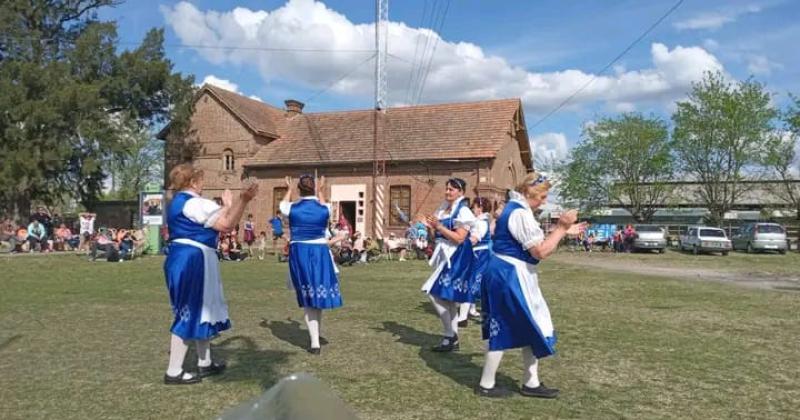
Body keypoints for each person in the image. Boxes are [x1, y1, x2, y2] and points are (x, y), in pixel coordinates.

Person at [476, 172, 585, 399]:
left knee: (529, 324)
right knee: (505, 325)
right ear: (527, 193)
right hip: (510, 274)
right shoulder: (520, 214)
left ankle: (530, 382)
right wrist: (562, 228)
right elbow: (540, 251)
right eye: (542, 196)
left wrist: (562, 232)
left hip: (508, 272)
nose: (544, 200)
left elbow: (529, 242)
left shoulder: (515, 209)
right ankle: (487, 384)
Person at [162, 163, 257, 385]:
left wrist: (226, 206)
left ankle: (205, 363)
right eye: (201, 179)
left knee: (202, 309)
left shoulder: (179, 203)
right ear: (193, 181)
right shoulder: (195, 203)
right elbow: (225, 225)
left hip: (183, 256)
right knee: (191, 310)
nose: (203, 183)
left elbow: (211, 222)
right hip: (194, 259)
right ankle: (174, 370)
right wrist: (243, 200)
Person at [280, 174, 342, 355]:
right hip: (319, 251)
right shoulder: (324, 208)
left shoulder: (291, 207)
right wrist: (321, 190)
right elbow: (324, 206)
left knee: (308, 298)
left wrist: (289, 189)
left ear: (299, 189)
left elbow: (282, 206)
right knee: (316, 298)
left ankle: (315, 342)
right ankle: (315, 340)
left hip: (300, 252)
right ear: (313, 188)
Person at [420, 178, 476, 352]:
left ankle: (450, 334)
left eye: (452, 189)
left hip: (458, 256)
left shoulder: (464, 211)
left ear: (461, 192)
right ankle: (451, 338)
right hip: (445, 254)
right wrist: (429, 226)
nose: (447, 192)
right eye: (447, 189)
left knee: (433, 293)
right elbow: (436, 230)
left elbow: (460, 238)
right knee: (447, 297)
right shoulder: (443, 208)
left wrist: (439, 227)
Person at [457, 197, 492, 327]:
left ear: (480, 208)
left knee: (473, 283)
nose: (473, 209)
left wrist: (459, 242)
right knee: (476, 283)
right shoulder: (479, 221)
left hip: (481, 255)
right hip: (477, 254)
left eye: (475, 206)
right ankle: (471, 311)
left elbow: (475, 239)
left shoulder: (482, 222)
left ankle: (462, 317)